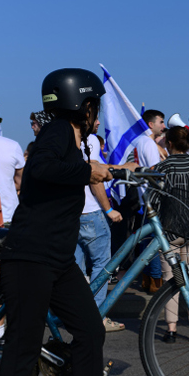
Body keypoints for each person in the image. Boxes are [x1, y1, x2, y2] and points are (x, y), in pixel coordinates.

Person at [0, 68, 133, 376]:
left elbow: (75, 171)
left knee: (91, 329)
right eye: (94, 106)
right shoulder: (57, 131)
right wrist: (88, 171)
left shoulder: (74, 138)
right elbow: (40, 169)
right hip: (30, 256)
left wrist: (112, 170)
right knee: (23, 345)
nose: (97, 114)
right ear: (80, 104)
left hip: (57, 258)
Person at [152, 126, 189, 342]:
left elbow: (153, 200)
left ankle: (171, 329)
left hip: (169, 229)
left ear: (168, 143)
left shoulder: (162, 167)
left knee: (171, 279)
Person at [75, 120, 125, 333]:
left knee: (75, 267)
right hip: (92, 211)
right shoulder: (90, 140)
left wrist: (122, 168)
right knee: (102, 266)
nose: (98, 122)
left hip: (72, 212)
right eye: (94, 115)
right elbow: (93, 176)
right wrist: (108, 209)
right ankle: (97, 317)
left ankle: (76, 313)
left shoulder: (68, 140)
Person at [133, 109, 166, 292]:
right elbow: (155, 171)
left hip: (144, 197)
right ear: (150, 124)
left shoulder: (140, 142)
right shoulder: (149, 143)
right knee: (155, 242)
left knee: (147, 240)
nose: (163, 125)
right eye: (161, 121)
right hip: (153, 198)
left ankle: (147, 279)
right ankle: (156, 281)